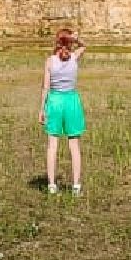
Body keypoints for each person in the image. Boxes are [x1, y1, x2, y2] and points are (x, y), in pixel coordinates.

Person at [39, 27, 87, 195]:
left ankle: (52, 185)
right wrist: (76, 39)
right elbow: (84, 46)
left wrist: (42, 109)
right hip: (71, 101)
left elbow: (45, 87)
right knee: (74, 145)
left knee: (52, 145)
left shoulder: (50, 61)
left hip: (54, 101)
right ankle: (76, 186)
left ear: (57, 42)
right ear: (69, 43)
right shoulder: (74, 57)